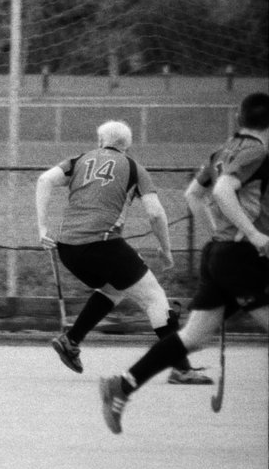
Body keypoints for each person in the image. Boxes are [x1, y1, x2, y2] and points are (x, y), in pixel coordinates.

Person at [100, 92, 269, 434]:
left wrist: (218, 233)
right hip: (242, 257)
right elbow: (221, 190)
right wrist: (253, 235)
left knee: (193, 336)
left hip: (221, 254)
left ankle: (123, 385)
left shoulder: (224, 150)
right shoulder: (257, 151)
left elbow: (194, 193)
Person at [35, 120, 210, 382]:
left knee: (114, 289)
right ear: (127, 146)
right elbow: (155, 214)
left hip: (69, 249)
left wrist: (42, 228)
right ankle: (182, 369)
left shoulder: (80, 160)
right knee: (154, 298)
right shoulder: (133, 167)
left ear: (100, 141)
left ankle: (71, 340)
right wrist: (166, 250)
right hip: (102, 244)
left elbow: (44, 180)